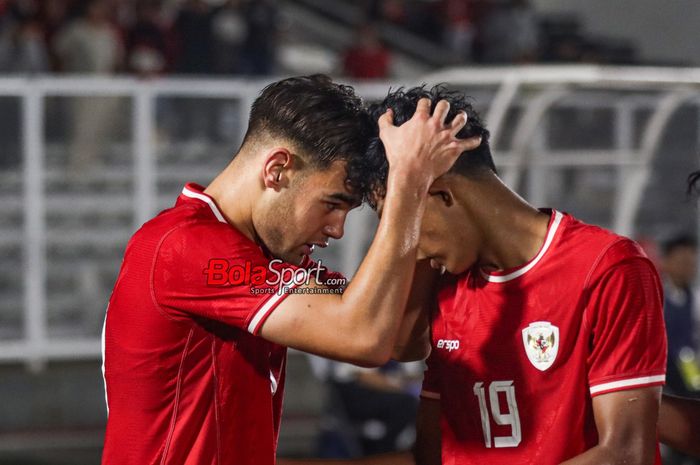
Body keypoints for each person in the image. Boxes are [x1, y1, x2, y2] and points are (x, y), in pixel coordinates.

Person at [101, 75, 481, 465]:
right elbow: (363, 337)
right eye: (332, 203)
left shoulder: (266, 262)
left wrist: (418, 200)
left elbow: (400, 336)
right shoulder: (186, 247)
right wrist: (408, 184)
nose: (337, 228)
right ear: (278, 169)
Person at [282, 84, 668, 465]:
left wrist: (409, 188)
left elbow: (625, 454)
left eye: (401, 222)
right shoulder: (447, 283)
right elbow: (399, 350)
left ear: (443, 194)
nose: (407, 245)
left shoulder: (606, 267)